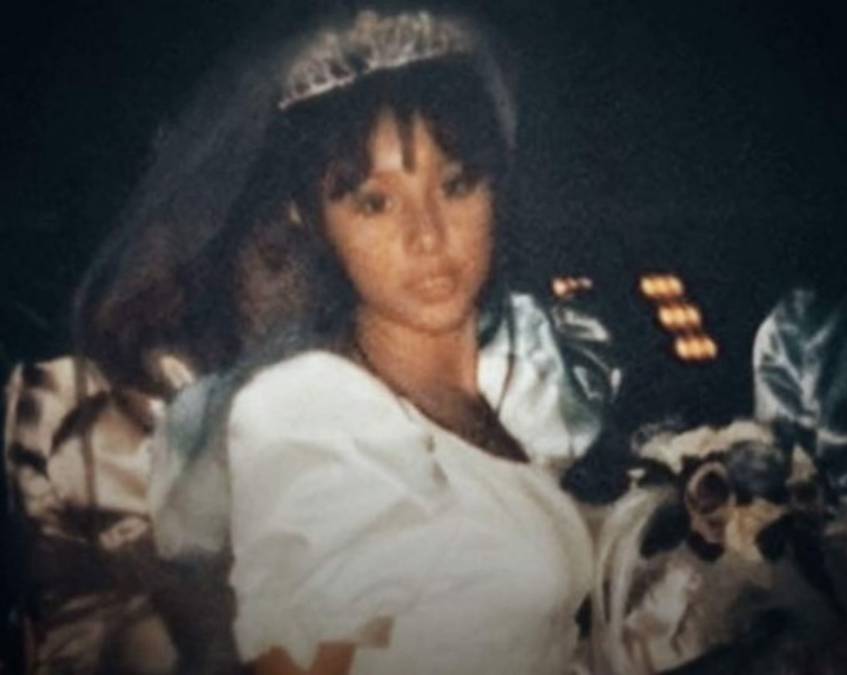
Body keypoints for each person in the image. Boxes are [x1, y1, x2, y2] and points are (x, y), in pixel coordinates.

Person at [72, 7, 621, 674]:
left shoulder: (514, 387)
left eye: (455, 185)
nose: (427, 235)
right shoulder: (308, 413)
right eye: (374, 202)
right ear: (310, 217)